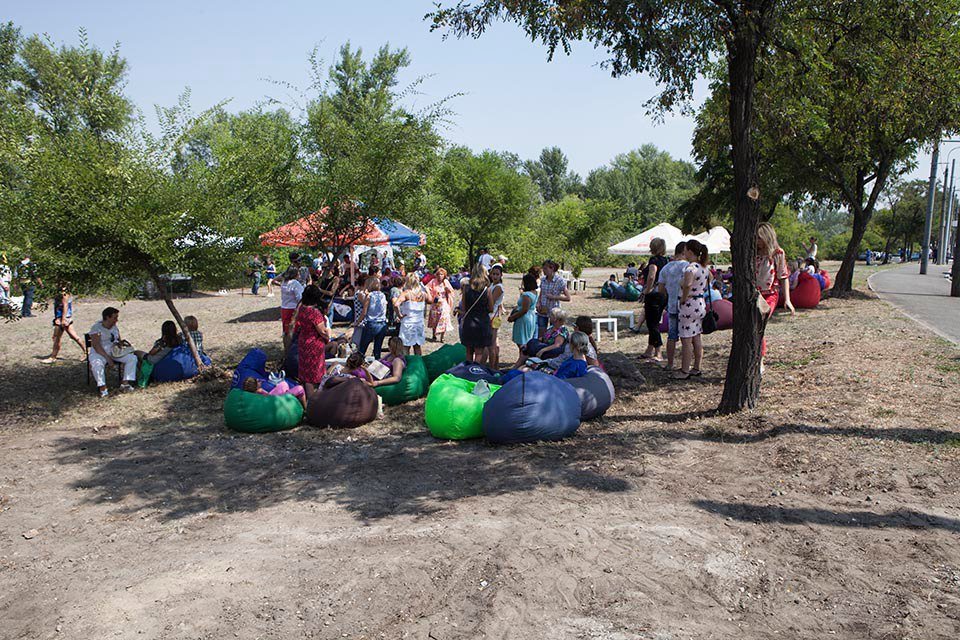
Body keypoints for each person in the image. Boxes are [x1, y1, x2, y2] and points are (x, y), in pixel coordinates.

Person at [756, 221, 793, 374]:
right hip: (755, 294)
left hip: (770, 294)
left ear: (767, 237)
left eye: (759, 238)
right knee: (754, 325)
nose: (757, 241)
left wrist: (787, 299)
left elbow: (783, 276)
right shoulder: (753, 253)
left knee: (760, 322)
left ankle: (760, 359)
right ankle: (755, 356)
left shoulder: (778, 253)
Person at [674, 239, 711, 380]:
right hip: (700, 303)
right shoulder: (704, 268)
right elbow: (709, 279)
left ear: (689, 251)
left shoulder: (690, 268)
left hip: (689, 304)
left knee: (686, 339)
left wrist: (683, 298)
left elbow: (687, 284)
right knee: (696, 336)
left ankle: (685, 370)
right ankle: (697, 367)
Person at [88, 307, 138, 397]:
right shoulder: (97, 328)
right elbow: (96, 345)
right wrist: (108, 358)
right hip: (99, 352)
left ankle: (125, 383)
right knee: (97, 364)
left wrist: (121, 344)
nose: (116, 320)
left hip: (114, 352)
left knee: (132, 358)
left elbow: (118, 340)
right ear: (107, 317)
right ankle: (103, 388)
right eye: (115, 318)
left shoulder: (114, 327)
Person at [657, 241, 688, 371]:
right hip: (686, 305)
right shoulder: (688, 266)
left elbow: (661, 289)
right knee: (687, 338)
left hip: (671, 305)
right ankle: (686, 365)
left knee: (672, 336)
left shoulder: (666, 268)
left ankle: (670, 363)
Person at [293, 285, 330, 396]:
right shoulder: (314, 313)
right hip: (314, 344)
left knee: (305, 372)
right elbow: (322, 331)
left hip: (303, 341)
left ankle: (306, 396)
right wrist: (328, 336)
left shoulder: (301, 308)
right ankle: (312, 400)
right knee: (312, 375)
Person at [640, 238, 670, 362]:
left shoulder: (654, 260)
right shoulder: (666, 260)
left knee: (652, 324)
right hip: (663, 294)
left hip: (653, 294)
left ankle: (658, 352)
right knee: (655, 321)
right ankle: (649, 349)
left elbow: (652, 275)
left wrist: (647, 290)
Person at [40, 283, 86, 363]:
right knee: (67, 336)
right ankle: (86, 351)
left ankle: (53, 357)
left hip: (63, 318)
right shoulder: (60, 292)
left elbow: (65, 306)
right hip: (60, 317)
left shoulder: (64, 293)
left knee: (59, 337)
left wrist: (63, 319)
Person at [458, 265, 493, 364]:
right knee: (479, 353)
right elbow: (491, 308)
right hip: (482, 323)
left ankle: (468, 370)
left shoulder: (466, 288)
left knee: (469, 352)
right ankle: (475, 368)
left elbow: (464, 308)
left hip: (469, 322)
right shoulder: (487, 290)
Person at [509, 271, 540, 363]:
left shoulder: (526, 295)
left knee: (522, 341)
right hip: (531, 317)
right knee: (526, 339)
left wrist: (513, 317)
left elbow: (524, 310)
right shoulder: (534, 293)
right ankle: (522, 358)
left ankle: (522, 359)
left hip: (524, 319)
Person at [535, 260, 570, 339]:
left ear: (552, 268)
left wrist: (554, 297)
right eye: (543, 268)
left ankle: (552, 345)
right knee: (541, 332)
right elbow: (541, 293)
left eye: (545, 268)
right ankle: (541, 344)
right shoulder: (543, 280)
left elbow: (568, 298)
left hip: (554, 312)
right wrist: (538, 302)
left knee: (554, 333)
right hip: (542, 310)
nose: (543, 271)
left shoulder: (560, 281)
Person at [394, 273, 426, 356]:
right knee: (417, 347)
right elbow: (430, 299)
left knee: (406, 346)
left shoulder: (406, 293)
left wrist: (399, 315)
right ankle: (418, 362)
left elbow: (396, 304)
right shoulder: (422, 294)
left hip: (408, 322)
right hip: (419, 323)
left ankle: (406, 362)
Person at [356, 277, 389, 359]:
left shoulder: (369, 296)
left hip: (371, 323)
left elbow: (364, 312)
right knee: (377, 349)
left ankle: (358, 363)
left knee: (362, 348)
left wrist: (357, 322)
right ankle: (377, 363)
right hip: (382, 322)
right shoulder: (382, 295)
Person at [243, 376, 307, 410]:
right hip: (276, 400)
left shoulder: (251, 395)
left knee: (283, 384)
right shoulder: (260, 392)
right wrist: (262, 391)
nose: (259, 381)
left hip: (272, 398)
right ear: (256, 386)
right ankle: (305, 408)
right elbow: (270, 399)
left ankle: (291, 398)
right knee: (300, 388)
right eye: (258, 381)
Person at [427, 268, 455, 343]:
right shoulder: (433, 281)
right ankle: (434, 334)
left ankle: (442, 337)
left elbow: (452, 292)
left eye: (442, 274)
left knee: (444, 318)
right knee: (434, 319)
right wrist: (431, 295)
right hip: (435, 303)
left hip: (443, 303)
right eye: (438, 274)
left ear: (444, 275)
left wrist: (448, 290)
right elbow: (427, 288)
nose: (440, 276)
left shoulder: (446, 282)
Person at [279, 267, 304, 349]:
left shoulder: (284, 282)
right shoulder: (295, 283)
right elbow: (300, 298)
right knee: (294, 330)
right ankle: (294, 348)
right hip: (293, 309)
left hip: (284, 308)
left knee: (286, 330)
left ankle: (287, 349)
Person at [487, 263, 506, 369]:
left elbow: (491, 302)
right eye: (493, 274)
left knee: (492, 345)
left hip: (493, 316)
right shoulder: (492, 285)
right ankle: (494, 365)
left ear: (501, 275)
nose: (495, 276)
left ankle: (492, 367)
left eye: (497, 274)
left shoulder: (498, 287)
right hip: (492, 315)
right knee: (492, 343)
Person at [316, 263, 341, 328]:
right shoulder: (322, 278)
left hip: (328, 301)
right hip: (320, 301)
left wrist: (320, 290)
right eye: (323, 268)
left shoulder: (335, 279)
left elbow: (331, 293)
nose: (323, 270)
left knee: (328, 324)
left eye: (325, 268)